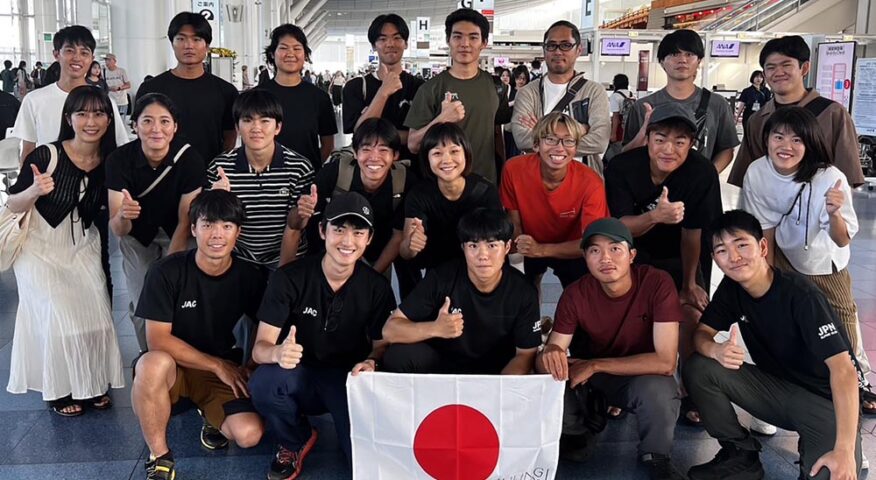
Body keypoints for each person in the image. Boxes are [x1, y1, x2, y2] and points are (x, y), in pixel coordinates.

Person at [684, 210, 862, 480]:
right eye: (722, 250)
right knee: (700, 367)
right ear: (715, 260)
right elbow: (701, 334)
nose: (734, 257)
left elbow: (844, 371)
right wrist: (714, 349)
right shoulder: (733, 290)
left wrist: (845, 449)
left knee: (831, 472)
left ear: (763, 247)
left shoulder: (801, 296)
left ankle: (822, 443)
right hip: (777, 392)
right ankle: (740, 455)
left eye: (742, 245)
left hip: (826, 402)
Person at [248, 192, 396, 480]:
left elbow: (381, 346)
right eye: (338, 230)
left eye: (358, 232)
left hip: (346, 381)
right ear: (322, 230)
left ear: (369, 238)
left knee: (363, 464)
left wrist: (371, 362)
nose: (347, 241)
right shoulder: (290, 278)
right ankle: (294, 440)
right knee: (265, 383)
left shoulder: (376, 288)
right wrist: (277, 353)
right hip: (298, 374)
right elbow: (259, 348)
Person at [741, 106, 874, 414]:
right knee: (782, 326)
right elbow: (765, 229)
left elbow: (842, 239)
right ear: (767, 139)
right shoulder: (758, 172)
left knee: (841, 330)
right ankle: (779, 397)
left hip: (825, 265)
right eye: (778, 137)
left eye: (797, 140)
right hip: (785, 256)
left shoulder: (830, 177)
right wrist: (769, 278)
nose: (785, 146)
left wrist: (833, 212)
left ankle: (852, 387)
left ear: (810, 143)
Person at [131, 190, 267, 480]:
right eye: (208, 225)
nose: (217, 235)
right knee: (150, 364)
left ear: (238, 232)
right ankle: (160, 456)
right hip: (174, 366)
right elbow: (157, 339)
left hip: (216, 369)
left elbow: (263, 325)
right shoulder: (166, 271)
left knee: (249, 434)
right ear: (193, 229)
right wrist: (218, 365)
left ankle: (210, 415)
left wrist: (251, 366)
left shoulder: (250, 276)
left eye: (226, 226)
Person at [5, 85, 124, 416]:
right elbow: (13, 203)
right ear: (68, 118)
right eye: (82, 113)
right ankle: (59, 390)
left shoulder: (111, 161)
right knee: (58, 314)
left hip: (81, 243)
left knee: (95, 313)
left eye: (99, 113)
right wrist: (33, 190)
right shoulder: (46, 154)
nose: (91, 121)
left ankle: (91, 384)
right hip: (39, 246)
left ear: (109, 118)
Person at [538, 218, 683, 480]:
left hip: (636, 375)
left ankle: (656, 454)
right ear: (585, 258)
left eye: (615, 248)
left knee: (659, 388)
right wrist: (550, 354)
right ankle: (578, 430)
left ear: (631, 255)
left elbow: (665, 362)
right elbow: (556, 346)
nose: (605, 258)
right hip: (592, 380)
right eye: (595, 250)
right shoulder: (575, 294)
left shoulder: (657, 283)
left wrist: (595, 364)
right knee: (553, 373)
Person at [605, 103, 722, 425]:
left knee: (689, 313)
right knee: (618, 310)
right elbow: (617, 227)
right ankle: (614, 386)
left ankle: (691, 389)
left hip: (678, 255)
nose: (669, 149)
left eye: (680, 141)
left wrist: (688, 283)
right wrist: (655, 216)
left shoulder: (701, 172)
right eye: (660, 139)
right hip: (628, 252)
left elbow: (693, 232)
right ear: (648, 138)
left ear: (691, 144)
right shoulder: (622, 167)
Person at [382, 208, 540, 375]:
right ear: (463, 248)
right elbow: (390, 330)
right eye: (473, 245)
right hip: (444, 369)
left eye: (492, 245)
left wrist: (497, 391)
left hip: (496, 371)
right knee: (398, 355)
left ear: (507, 247)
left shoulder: (523, 291)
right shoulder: (442, 278)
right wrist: (435, 328)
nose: (483, 255)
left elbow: (525, 355)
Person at [106, 93, 206, 353]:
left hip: (178, 231)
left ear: (175, 127)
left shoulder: (190, 159)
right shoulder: (119, 161)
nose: (156, 129)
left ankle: (184, 363)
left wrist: (169, 269)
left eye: (164, 121)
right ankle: (149, 360)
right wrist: (123, 216)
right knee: (143, 302)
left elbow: (186, 219)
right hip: (136, 235)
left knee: (182, 298)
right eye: (147, 121)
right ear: (135, 126)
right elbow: (117, 229)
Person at [729, 35, 864, 188]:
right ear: (764, 74)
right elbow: (746, 178)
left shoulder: (833, 114)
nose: (778, 72)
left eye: (786, 65)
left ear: (804, 68)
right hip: (768, 208)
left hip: (819, 208)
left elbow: (848, 178)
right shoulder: (757, 120)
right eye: (771, 67)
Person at [288, 118, 414, 283]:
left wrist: (371, 278)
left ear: (395, 155)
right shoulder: (335, 172)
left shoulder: (404, 181)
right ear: (355, 152)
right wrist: (302, 212)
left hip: (378, 258)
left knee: (372, 300)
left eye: (383, 150)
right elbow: (294, 223)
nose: (374, 158)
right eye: (366, 149)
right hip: (332, 256)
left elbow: (398, 236)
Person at [207, 89, 315, 267]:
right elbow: (210, 223)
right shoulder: (220, 168)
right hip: (237, 261)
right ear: (237, 127)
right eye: (247, 120)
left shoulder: (299, 167)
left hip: (286, 258)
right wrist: (217, 199)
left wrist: (282, 276)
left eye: (265, 121)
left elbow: (295, 225)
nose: (256, 128)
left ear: (278, 127)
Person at [501, 112, 608, 289]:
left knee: (581, 293)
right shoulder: (514, 169)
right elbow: (514, 223)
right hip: (529, 241)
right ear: (536, 144)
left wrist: (542, 250)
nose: (560, 148)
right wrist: (520, 258)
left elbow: (592, 240)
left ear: (576, 148)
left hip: (574, 248)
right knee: (518, 288)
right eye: (550, 139)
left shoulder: (591, 181)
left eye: (568, 141)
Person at [404, 8, 511, 184]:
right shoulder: (430, 89)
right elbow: (413, 145)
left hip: (485, 186)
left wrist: (503, 179)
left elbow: (496, 135)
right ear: (448, 41)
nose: (465, 43)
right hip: (442, 190)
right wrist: (441, 119)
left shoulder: (496, 86)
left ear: (484, 42)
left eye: (473, 37)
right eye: (457, 36)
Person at [622, 29, 739, 172]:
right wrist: (643, 133)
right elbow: (626, 155)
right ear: (661, 62)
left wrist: (706, 179)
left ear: (699, 61)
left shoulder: (717, 104)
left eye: (689, 54)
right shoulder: (643, 107)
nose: (682, 60)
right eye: (674, 54)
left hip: (698, 189)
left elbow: (726, 149)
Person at [11, 26, 128, 165]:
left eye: (84, 53)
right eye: (69, 51)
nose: (77, 58)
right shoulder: (34, 100)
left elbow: (120, 146)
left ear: (91, 59)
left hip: (96, 181)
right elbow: (28, 150)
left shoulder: (103, 100)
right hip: (49, 181)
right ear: (56, 55)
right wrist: (27, 184)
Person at [399, 122, 502, 276]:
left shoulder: (485, 191)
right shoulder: (419, 195)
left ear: (466, 154)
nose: (447, 160)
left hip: (478, 270)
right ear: (427, 159)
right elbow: (405, 252)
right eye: (437, 153)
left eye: (454, 151)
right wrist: (411, 244)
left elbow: (498, 244)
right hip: (437, 272)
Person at [135, 12, 238, 163]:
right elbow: (141, 133)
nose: (188, 45)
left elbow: (230, 135)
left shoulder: (226, 91)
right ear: (172, 43)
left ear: (207, 46)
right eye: (181, 39)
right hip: (160, 175)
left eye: (196, 39)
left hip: (208, 175)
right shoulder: (150, 89)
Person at [512, 21, 611, 175]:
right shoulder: (527, 93)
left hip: (583, 180)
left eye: (565, 45)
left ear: (578, 50)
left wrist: (542, 134)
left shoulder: (594, 92)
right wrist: (581, 129)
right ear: (544, 51)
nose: (558, 51)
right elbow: (522, 139)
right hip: (536, 179)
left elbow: (599, 141)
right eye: (551, 45)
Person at [342, 14, 424, 163]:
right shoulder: (355, 87)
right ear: (374, 46)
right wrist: (383, 92)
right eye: (382, 39)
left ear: (406, 43)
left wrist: (374, 132)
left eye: (397, 38)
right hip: (368, 171)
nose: (390, 44)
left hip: (411, 172)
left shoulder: (420, 87)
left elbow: (421, 138)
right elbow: (361, 133)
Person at [258, 24, 337, 170]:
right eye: (283, 48)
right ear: (272, 54)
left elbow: (328, 144)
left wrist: (308, 169)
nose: (290, 53)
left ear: (305, 55)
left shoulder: (319, 98)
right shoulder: (257, 96)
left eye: (297, 48)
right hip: (264, 178)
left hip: (306, 182)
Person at [606, 73, 634, 161]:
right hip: (629, 126)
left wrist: (613, 134)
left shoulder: (615, 96)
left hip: (619, 129)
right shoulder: (630, 94)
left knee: (616, 152)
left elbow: (616, 116)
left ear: (615, 83)